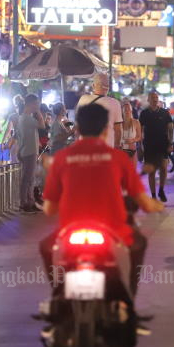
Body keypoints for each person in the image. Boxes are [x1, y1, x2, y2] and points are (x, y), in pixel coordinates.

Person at [40, 104, 164, 299]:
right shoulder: (118, 158)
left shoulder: (62, 158)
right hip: (112, 229)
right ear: (106, 130)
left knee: (46, 246)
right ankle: (127, 300)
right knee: (138, 243)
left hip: (71, 230)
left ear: (78, 129)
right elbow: (144, 202)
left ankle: (57, 293)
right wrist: (155, 205)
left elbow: (48, 209)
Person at [139, 91, 173, 202]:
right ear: (148, 100)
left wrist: (171, 143)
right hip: (149, 145)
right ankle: (153, 195)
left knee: (163, 168)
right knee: (151, 171)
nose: (155, 99)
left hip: (163, 144)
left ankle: (161, 190)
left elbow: (170, 128)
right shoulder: (144, 113)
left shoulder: (164, 112)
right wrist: (140, 145)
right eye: (152, 97)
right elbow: (140, 130)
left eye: (156, 97)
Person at [77, 73, 122, 149]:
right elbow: (118, 130)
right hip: (107, 149)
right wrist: (117, 146)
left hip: (85, 148)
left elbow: (77, 125)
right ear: (108, 87)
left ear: (93, 85)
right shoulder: (115, 103)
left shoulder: (83, 99)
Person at [17, 94, 45, 212]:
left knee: (30, 178)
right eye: (36, 104)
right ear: (31, 104)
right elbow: (42, 125)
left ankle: (30, 201)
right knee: (27, 178)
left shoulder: (24, 117)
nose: (37, 106)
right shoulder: (27, 118)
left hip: (28, 150)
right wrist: (38, 112)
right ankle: (24, 203)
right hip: (29, 151)